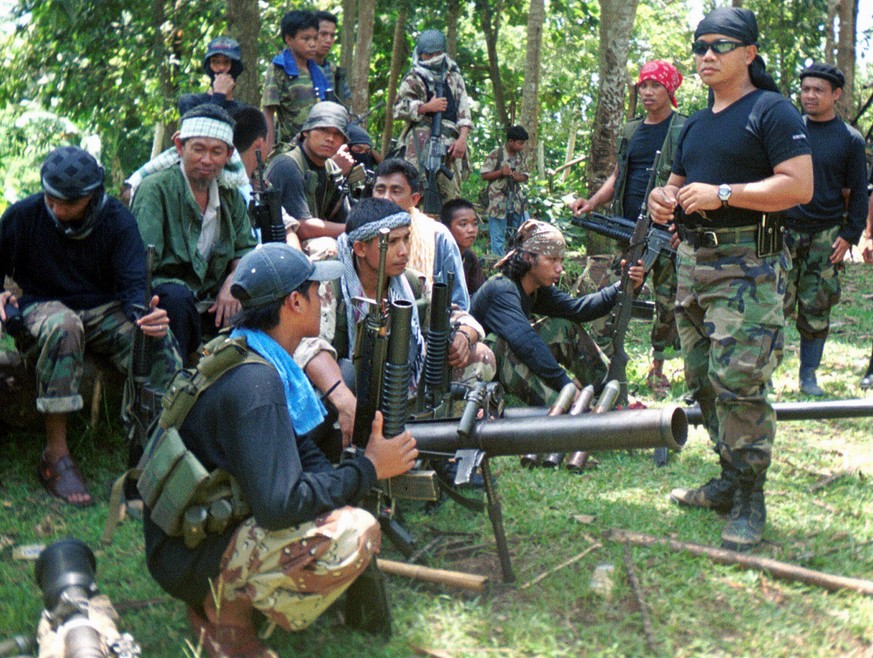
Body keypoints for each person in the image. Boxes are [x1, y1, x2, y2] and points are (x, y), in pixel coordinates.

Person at [142, 243, 417, 657]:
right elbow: (278, 504)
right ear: (293, 302)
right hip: (187, 556)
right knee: (356, 534)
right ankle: (225, 620)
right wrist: (371, 468)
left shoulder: (248, 355)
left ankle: (226, 596)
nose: (323, 298)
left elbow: (303, 457)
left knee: (335, 507)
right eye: (315, 291)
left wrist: (356, 471)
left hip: (190, 537)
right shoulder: (257, 384)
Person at [648, 7, 813, 551]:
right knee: (701, 378)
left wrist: (723, 193)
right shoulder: (692, 124)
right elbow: (674, 187)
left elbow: (798, 187)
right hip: (693, 267)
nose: (707, 56)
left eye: (720, 45)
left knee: (740, 382)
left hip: (750, 266)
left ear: (750, 53)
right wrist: (662, 200)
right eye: (699, 47)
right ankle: (727, 476)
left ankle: (750, 496)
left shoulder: (772, 111)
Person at [0, 146, 180, 506]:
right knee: (65, 326)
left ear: (92, 196)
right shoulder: (23, 216)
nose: (56, 208)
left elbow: (133, 289)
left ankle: (157, 448)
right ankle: (56, 454)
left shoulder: (117, 220)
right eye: (50, 197)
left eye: (66, 202)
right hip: (43, 306)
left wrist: (148, 317)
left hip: (103, 307)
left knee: (154, 341)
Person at [570, 60, 686, 398]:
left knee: (668, 302)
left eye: (656, 87)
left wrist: (685, 226)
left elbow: (694, 178)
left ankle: (659, 369)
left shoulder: (684, 129)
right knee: (617, 293)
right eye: (643, 86)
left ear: (670, 90)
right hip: (630, 228)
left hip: (667, 229)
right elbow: (618, 176)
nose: (648, 93)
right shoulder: (630, 131)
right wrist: (591, 203)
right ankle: (601, 365)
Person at [132, 104, 258, 363]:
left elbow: (246, 249)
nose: (207, 160)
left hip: (212, 301)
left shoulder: (229, 195)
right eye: (198, 149)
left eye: (216, 152)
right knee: (176, 299)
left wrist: (233, 281)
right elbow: (141, 267)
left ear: (228, 154)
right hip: (169, 303)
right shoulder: (155, 190)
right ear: (180, 146)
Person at [470, 220, 644, 407]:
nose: (559, 268)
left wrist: (624, 285)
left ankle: (610, 394)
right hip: (483, 376)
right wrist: (565, 384)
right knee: (502, 342)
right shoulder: (501, 288)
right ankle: (568, 408)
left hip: (513, 361)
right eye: (552, 260)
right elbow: (526, 344)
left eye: (560, 260)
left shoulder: (535, 288)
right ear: (529, 257)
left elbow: (579, 310)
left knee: (563, 325)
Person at [782, 63, 868, 396]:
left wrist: (850, 235)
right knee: (776, 303)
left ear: (836, 94)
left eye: (818, 90)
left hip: (827, 234)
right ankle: (766, 373)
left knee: (817, 306)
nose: (810, 95)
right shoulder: (789, 129)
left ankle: (808, 376)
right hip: (785, 231)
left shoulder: (850, 139)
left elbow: (859, 192)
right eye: (805, 89)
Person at [393, 29, 472, 208]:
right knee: (415, 192)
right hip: (418, 144)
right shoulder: (414, 77)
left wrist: (462, 140)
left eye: (436, 54)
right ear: (421, 54)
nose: (433, 58)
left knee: (450, 198)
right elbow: (398, 109)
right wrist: (426, 107)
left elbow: (464, 112)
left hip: (449, 144)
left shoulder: (454, 77)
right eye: (428, 55)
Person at [262, 10, 334, 154]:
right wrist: (267, 151)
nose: (312, 44)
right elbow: (268, 112)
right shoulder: (280, 69)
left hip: (318, 148)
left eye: (315, 38)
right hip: (291, 149)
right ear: (289, 39)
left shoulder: (317, 72)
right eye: (306, 38)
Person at [480, 125, 529, 257]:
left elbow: (525, 176)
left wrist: (516, 177)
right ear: (511, 141)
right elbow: (484, 175)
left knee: (524, 229)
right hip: (497, 200)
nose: (521, 146)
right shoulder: (496, 154)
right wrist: (501, 173)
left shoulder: (520, 157)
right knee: (497, 235)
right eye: (520, 143)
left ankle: (518, 258)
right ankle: (497, 262)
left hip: (516, 200)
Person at [179, 36, 246, 116]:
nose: (221, 68)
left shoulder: (245, 113)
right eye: (215, 62)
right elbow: (203, 126)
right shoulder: (191, 102)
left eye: (226, 62)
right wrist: (219, 95)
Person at [440, 198, 485, 294]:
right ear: (446, 228)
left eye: (475, 224)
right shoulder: (437, 256)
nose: (471, 230)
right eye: (463, 224)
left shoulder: (469, 257)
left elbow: (479, 293)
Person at [314, 10, 352, 107]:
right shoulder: (298, 69)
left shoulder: (334, 71)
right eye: (323, 34)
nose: (328, 40)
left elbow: (345, 107)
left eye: (332, 35)